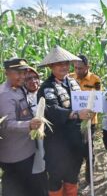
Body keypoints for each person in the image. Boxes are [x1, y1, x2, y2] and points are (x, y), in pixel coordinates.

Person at [37, 45, 94, 196]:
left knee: (72, 176)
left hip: (74, 140)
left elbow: (82, 102)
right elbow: (51, 111)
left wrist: (91, 107)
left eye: (66, 63)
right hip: (56, 143)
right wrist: (76, 114)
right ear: (51, 66)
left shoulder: (73, 82)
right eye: (59, 64)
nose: (64, 67)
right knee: (56, 178)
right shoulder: (47, 87)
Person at [0, 58, 47, 196]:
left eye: (23, 72)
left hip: (27, 151)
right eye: (17, 73)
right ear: (6, 73)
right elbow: (6, 124)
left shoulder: (19, 88)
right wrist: (29, 124)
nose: (22, 76)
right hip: (14, 155)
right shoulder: (5, 95)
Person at [69, 54, 101, 184]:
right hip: (74, 121)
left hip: (89, 122)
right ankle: (73, 180)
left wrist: (88, 118)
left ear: (88, 67)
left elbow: (97, 102)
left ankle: (89, 180)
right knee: (74, 151)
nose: (77, 71)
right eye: (76, 68)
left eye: (81, 68)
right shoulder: (70, 78)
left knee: (88, 152)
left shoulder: (95, 80)